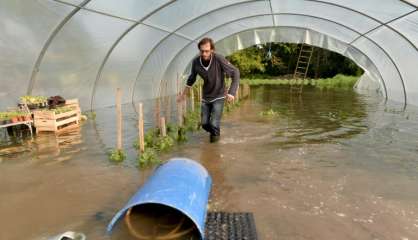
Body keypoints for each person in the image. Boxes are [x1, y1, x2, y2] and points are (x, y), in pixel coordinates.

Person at [177, 37, 240, 143]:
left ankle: (214, 149)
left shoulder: (218, 59)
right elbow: (192, 78)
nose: (204, 53)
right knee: (204, 124)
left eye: (207, 51)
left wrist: (232, 93)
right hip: (206, 97)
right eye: (202, 51)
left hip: (219, 95)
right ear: (199, 50)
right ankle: (216, 135)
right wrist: (183, 95)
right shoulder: (196, 62)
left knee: (214, 124)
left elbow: (236, 72)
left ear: (212, 50)